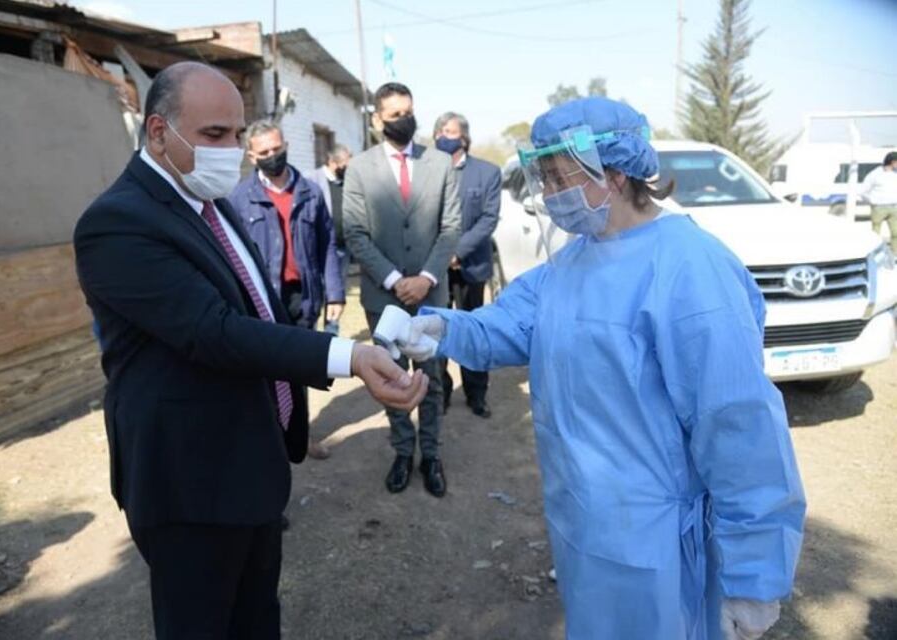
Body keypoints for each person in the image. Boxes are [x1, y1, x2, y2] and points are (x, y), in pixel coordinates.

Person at [394, 97, 806, 639]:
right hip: (583, 524)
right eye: (544, 178)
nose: (548, 194)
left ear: (612, 174)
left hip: (657, 545)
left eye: (559, 178)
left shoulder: (689, 269)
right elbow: (515, 323)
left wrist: (752, 576)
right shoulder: (574, 260)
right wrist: (445, 329)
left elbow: (737, 426)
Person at [73, 62, 427, 640]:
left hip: (249, 465)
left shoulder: (211, 202)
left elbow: (260, 309)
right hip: (190, 483)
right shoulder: (117, 223)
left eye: (238, 134)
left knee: (257, 618)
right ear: (158, 132)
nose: (233, 150)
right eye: (215, 135)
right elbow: (215, 332)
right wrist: (352, 357)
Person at [343, 82, 462, 497]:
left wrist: (426, 278)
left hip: (429, 294)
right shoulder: (359, 169)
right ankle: (401, 451)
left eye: (408, 111)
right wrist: (395, 280)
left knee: (430, 378)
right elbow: (355, 234)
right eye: (394, 115)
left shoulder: (440, 164)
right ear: (377, 119)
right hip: (383, 295)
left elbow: (450, 228)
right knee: (392, 378)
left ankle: (431, 454)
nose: (404, 120)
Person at [229, 120, 344, 460]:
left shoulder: (310, 191)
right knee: (264, 375)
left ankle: (300, 437)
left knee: (299, 370)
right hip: (262, 301)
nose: (272, 156)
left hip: (303, 297)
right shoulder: (239, 199)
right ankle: (269, 442)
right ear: (251, 155)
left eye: (276, 149)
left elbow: (327, 246)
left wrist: (335, 293)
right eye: (263, 152)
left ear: (286, 145)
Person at [432, 111, 501, 418]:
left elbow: (488, 219)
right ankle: (441, 391)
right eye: (440, 132)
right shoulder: (429, 171)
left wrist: (457, 251)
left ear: (464, 138)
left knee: (472, 331)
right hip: (435, 270)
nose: (444, 136)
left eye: (450, 131)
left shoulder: (486, 173)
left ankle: (477, 393)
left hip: (472, 267)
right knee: (438, 330)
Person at [314, 143, 353, 335]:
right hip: (319, 251)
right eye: (345, 163)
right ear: (332, 162)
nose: (348, 168)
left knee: (336, 294)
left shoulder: (346, 182)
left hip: (343, 249)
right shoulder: (311, 180)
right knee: (317, 293)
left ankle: (331, 334)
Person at [860, 151, 897, 251]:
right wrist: (872, 201)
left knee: (895, 233)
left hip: (894, 207)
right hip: (879, 208)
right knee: (875, 234)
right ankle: (874, 255)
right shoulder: (875, 174)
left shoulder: (895, 174)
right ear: (892, 162)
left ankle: (895, 256)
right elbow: (863, 191)